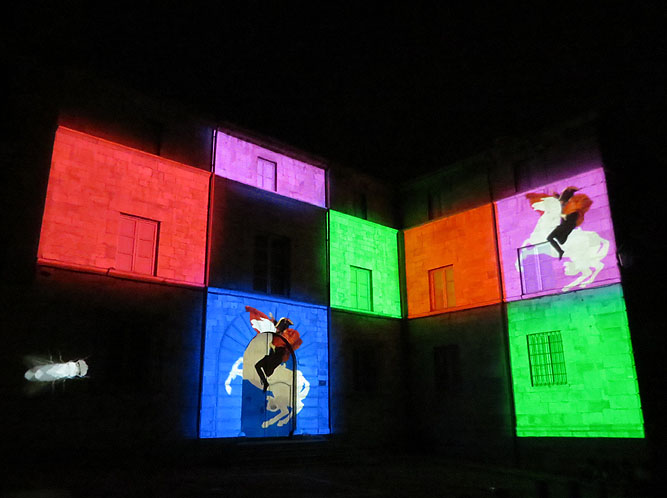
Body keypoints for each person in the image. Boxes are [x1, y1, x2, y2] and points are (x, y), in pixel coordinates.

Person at [245, 306, 302, 392]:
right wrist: (273, 319)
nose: (276, 328)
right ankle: (265, 383)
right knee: (258, 366)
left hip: (278, 356)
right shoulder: (279, 333)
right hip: (272, 355)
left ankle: (266, 382)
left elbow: (287, 343)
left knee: (267, 371)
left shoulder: (287, 335)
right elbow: (276, 325)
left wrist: (275, 345)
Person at [546, 187, 592, 259]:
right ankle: (560, 250)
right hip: (567, 226)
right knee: (561, 241)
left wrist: (565, 216)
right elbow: (560, 199)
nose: (561, 203)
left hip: (566, 225)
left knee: (549, 238)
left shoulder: (571, 207)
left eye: (562, 202)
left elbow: (572, 215)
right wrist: (555, 194)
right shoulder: (565, 205)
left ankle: (560, 251)